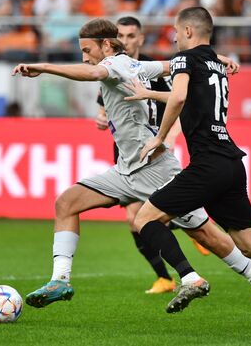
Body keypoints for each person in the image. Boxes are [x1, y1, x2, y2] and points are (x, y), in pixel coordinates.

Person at [12, 18, 251, 324]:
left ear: (105, 45)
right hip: (126, 169)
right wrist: (215, 59)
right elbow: (172, 65)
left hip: (156, 168)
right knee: (66, 203)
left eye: (87, 49)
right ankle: (60, 280)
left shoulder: (114, 64)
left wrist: (43, 67)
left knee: (206, 234)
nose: (84, 57)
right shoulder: (133, 65)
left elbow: (92, 72)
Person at [131, 6, 251, 331]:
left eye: (177, 32)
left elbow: (179, 97)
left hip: (207, 164)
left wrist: (160, 138)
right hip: (231, 164)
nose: (175, 37)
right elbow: (190, 94)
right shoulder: (216, 64)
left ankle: (190, 277)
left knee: (145, 219)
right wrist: (149, 93)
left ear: (190, 32)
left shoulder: (185, 59)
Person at [95, 16, 208, 295]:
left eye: (131, 35)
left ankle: (194, 228)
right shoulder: (108, 68)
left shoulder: (151, 70)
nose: (126, 40)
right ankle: (165, 277)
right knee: (135, 220)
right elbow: (105, 108)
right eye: (121, 34)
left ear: (141, 39)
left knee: (155, 214)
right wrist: (101, 117)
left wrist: (167, 137)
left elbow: (179, 102)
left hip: (153, 152)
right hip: (125, 153)